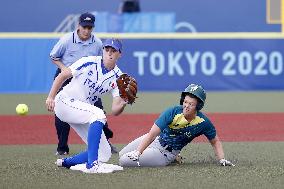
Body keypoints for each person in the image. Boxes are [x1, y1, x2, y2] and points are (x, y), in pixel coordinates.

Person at [46, 38, 126, 173]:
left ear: (120, 54)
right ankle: (92, 165)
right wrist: (51, 97)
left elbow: (115, 110)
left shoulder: (119, 77)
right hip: (64, 102)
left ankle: (65, 162)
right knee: (99, 114)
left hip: (82, 111)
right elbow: (62, 75)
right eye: (107, 49)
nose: (109, 53)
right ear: (102, 51)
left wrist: (124, 102)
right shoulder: (89, 61)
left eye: (113, 50)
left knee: (104, 153)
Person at [119, 84, 235, 167]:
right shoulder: (173, 111)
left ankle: (173, 158)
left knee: (124, 161)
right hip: (155, 140)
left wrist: (222, 159)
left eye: (191, 104)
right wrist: (138, 152)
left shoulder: (203, 122)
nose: (187, 106)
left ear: (198, 106)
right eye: (185, 102)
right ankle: (167, 156)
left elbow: (215, 141)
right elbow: (152, 134)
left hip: (164, 154)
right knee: (121, 154)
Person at [49, 12, 116, 155]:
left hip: (87, 80)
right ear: (78, 25)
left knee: (98, 109)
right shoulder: (67, 40)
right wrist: (64, 69)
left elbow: (101, 61)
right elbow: (53, 56)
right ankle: (62, 147)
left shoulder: (97, 43)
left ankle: (107, 143)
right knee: (61, 112)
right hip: (67, 77)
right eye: (84, 27)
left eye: (89, 28)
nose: (86, 30)